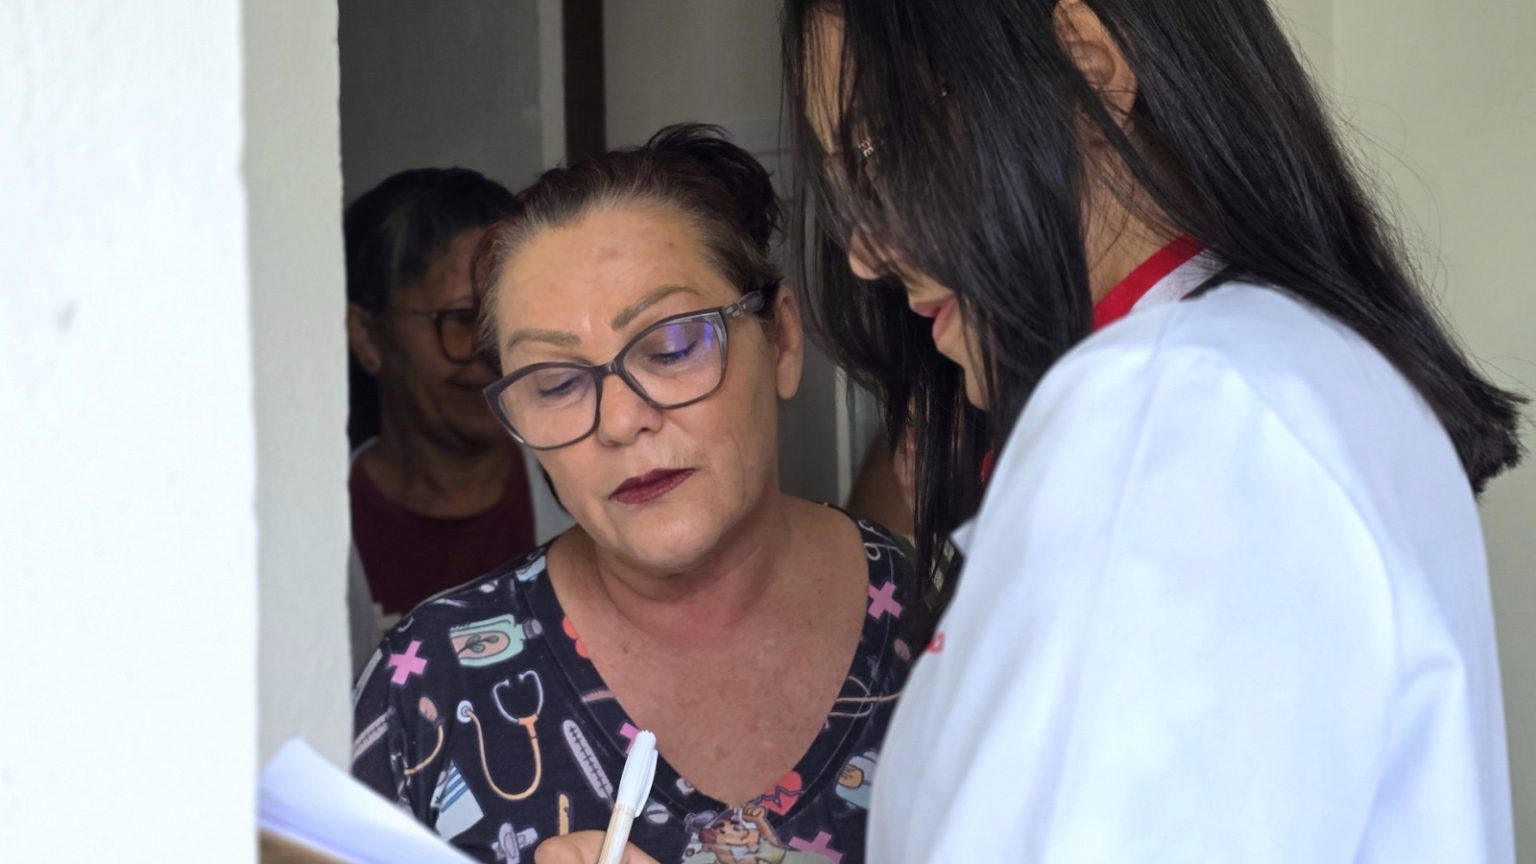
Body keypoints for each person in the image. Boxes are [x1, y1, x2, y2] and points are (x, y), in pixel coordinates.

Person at [773, 0, 1526, 861]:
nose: (865, 250)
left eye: (882, 149)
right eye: (847, 181)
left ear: (1085, 61)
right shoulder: (1249, 380)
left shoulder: (1185, 408)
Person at [352, 125, 921, 864]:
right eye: (556, 383)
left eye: (672, 346)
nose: (621, 421)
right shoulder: (429, 690)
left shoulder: (950, 614)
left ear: (782, 341)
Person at [343, 168, 569, 672]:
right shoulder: (317, 537)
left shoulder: (582, 492)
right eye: (463, 319)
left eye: (507, 314)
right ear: (367, 335)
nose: (493, 352)